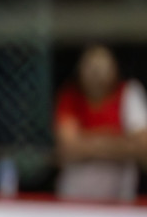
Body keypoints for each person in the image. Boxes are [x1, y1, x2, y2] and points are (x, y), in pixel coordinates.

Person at [54, 45, 147, 202]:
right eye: (91, 66)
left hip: (119, 191)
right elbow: (68, 149)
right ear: (80, 69)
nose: (96, 73)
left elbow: (142, 147)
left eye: (102, 66)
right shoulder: (70, 96)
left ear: (114, 67)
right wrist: (118, 141)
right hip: (76, 193)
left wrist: (87, 143)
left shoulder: (129, 92)